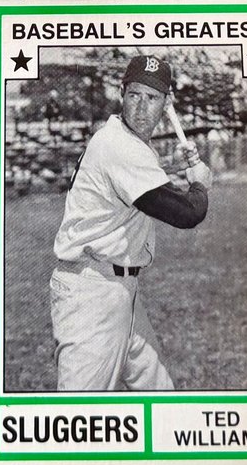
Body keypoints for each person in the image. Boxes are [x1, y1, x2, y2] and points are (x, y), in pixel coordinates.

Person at [49, 53, 213, 391]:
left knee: (160, 396)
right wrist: (199, 184)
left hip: (120, 290)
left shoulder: (125, 140)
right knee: (78, 413)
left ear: (165, 103)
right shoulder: (118, 145)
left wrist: (174, 167)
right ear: (122, 94)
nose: (141, 107)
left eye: (151, 98)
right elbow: (186, 213)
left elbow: (137, 186)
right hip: (92, 295)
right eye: (134, 95)